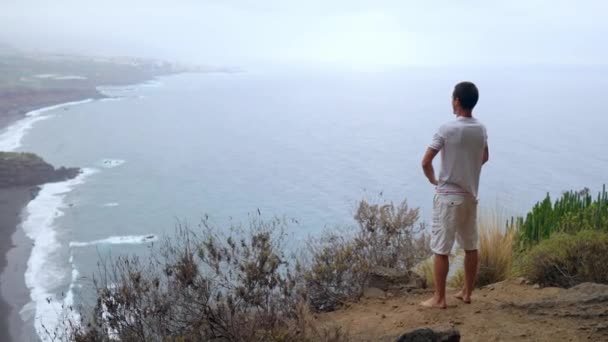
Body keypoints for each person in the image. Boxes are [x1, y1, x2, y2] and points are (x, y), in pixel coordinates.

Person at [420, 81, 489, 309]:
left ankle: (439, 298)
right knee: (471, 245)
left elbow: (426, 161)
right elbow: (485, 156)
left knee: (441, 249)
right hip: (470, 195)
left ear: (457, 101)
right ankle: (467, 293)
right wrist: (468, 168)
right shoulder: (480, 129)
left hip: (448, 196)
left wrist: (433, 179)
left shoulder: (447, 129)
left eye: (452, 98)